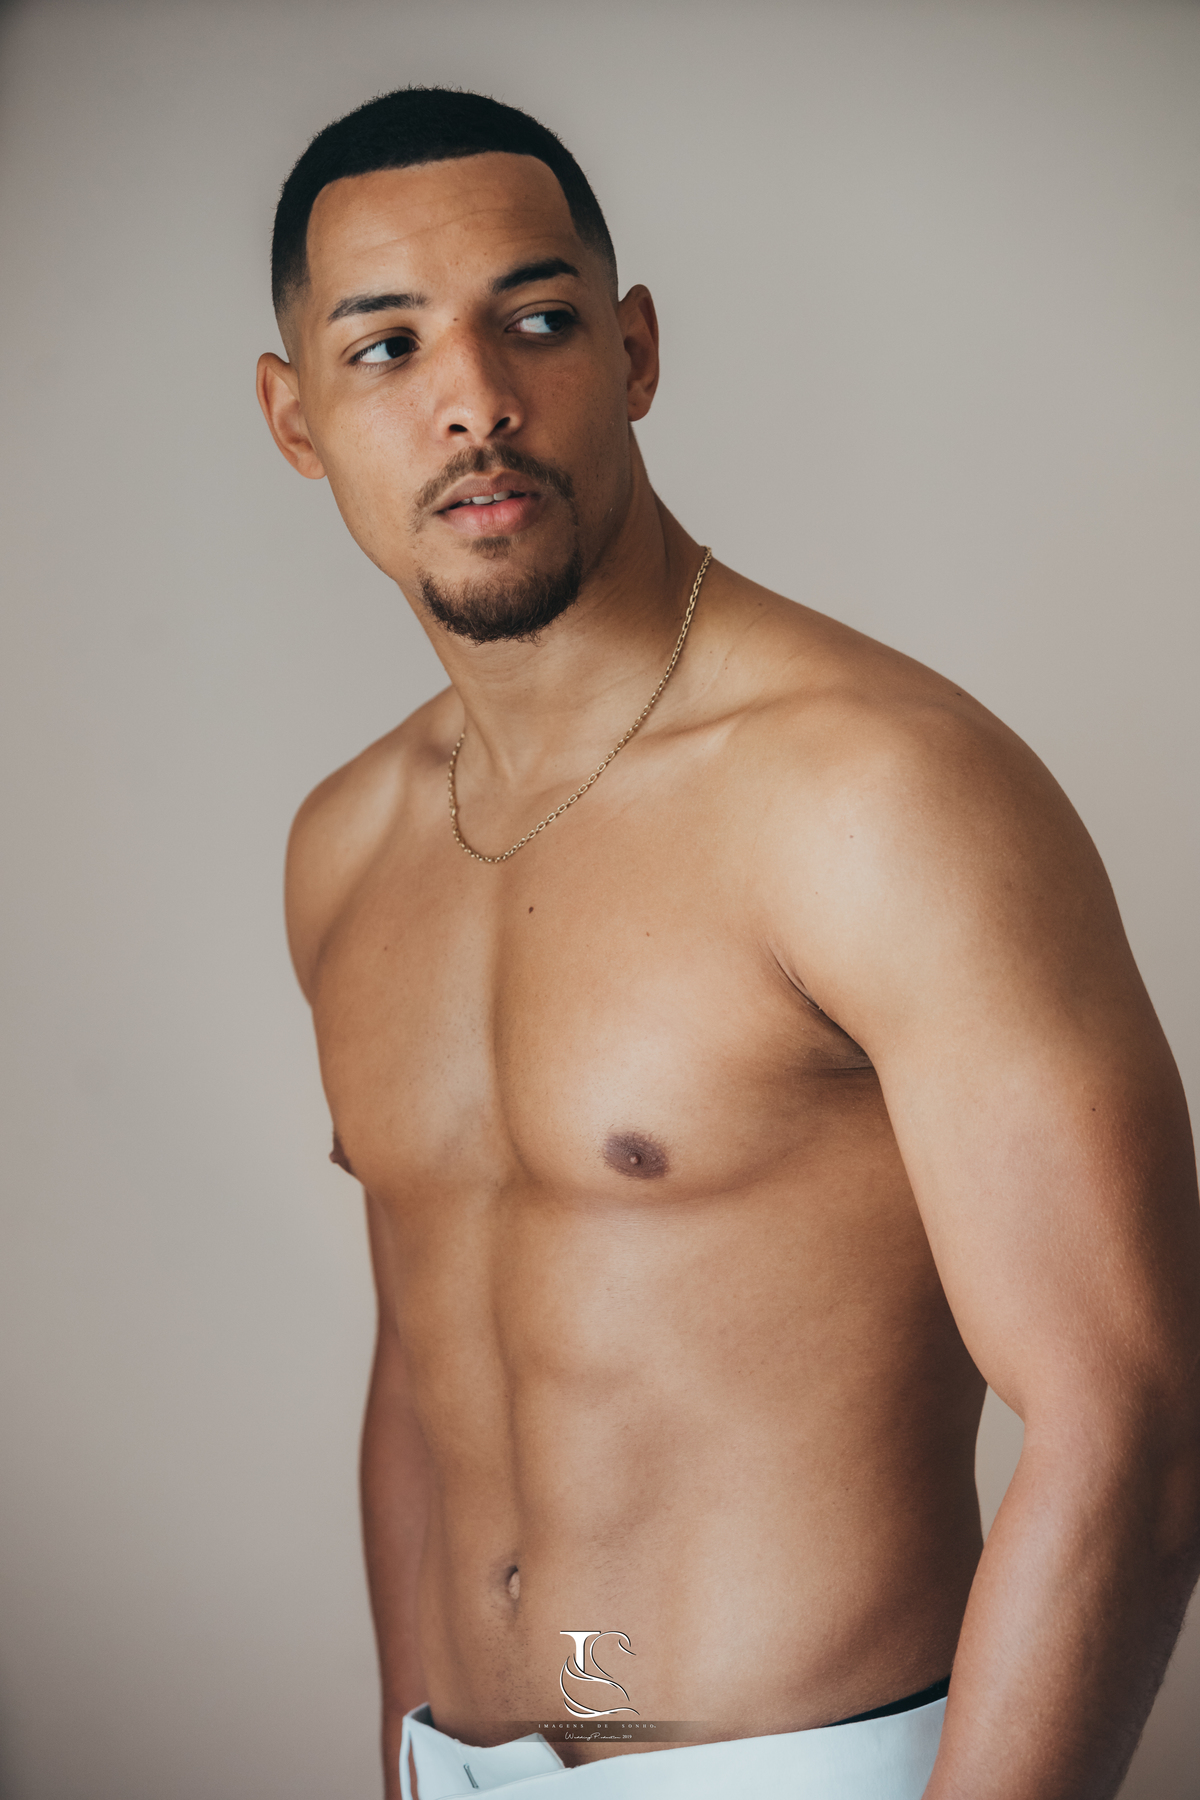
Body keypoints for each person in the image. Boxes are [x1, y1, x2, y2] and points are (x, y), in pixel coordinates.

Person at [256, 87, 1200, 1800]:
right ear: (295, 417)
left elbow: (1133, 1420)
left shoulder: (876, 792)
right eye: (386, 348)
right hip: (461, 1766)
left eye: (536, 322)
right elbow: (432, 1354)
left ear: (633, 353)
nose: (474, 399)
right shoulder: (346, 845)